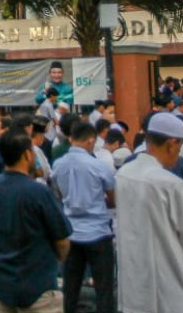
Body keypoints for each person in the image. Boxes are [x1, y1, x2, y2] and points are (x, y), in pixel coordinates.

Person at [115, 112, 183, 313]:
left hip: (135, 281)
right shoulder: (170, 184)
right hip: (170, 283)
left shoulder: (124, 174)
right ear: (172, 143)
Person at [0, 130, 70, 313]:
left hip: (2, 283)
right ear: (27, 155)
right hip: (38, 287)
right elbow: (62, 239)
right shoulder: (38, 192)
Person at [51, 120, 115, 313]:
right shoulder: (98, 165)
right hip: (98, 232)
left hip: (71, 233)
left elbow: (59, 195)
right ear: (90, 140)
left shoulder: (58, 165)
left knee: (70, 289)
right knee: (104, 289)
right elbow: (113, 198)